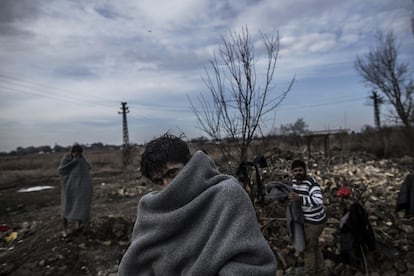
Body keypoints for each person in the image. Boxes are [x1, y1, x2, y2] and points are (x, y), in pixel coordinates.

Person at [118, 134, 277, 275]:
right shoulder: (152, 211)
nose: (168, 186)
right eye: (159, 181)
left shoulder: (227, 195)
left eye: (172, 173)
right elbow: (138, 265)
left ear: (190, 164)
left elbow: (251, 263)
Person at [287, 159, 327, 276]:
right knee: (314, 247)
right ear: (292, 172)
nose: (298, 173)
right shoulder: (294, 181)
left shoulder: (311, 183)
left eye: (300, 170)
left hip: (315, 221)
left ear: (305, 170)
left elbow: (319, 200)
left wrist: (300, 198)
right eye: (295, 171)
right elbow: (295, 195)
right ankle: (321, 271)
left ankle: (310, 273)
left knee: (308, 249)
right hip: (307, 219)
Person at [58, 144, 92, 238]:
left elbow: (87, 168)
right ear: (72, 152)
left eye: (79, 154)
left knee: (79, 206)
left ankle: (79, 226)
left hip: (78, 189)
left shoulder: (81, 160)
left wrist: (80, 161)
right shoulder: (66, 159)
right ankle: (64, 230)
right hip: (68, 189)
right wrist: (74, 162)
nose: (77, 155)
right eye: (76, 153)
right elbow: (62, 171)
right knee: (65, 208)